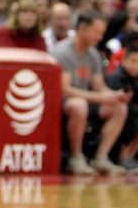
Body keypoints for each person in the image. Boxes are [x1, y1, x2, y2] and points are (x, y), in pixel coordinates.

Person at [51, 12, 129, 175]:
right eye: (96, 32)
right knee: (79, 105)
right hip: (60, 102)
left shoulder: (92, 53)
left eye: (101, 33)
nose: (100, 37)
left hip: (86, 100)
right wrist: (100, 97)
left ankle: (101, 158)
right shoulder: (63, 52)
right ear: (82, 28)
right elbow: (64, 90)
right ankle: (75, 157)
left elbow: (99, 86)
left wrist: (115, 95)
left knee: (119, 107)